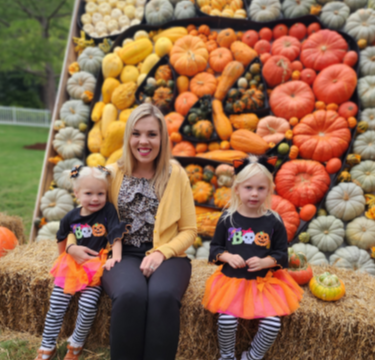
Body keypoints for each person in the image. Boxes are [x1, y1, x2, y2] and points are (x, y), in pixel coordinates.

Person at [71, 103, 197, 360]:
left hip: (168, 256)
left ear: (163, 138)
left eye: (152, 134)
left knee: (162, 296)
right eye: (136, 133)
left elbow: (189, 230)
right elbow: (82, 216)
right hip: (121, 253)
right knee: (130, 295)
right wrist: (72, 245)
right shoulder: (111, 172)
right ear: (128, 136)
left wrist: (162, 253)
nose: (144, 141)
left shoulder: (176, 175)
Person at [202, 156, 303, 360]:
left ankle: (252, 356)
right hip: (231, 282)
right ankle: (227, 355)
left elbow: (282, 254)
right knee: (226, 321)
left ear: (270, 190)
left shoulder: (274, 220)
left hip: (263, 284)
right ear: (237, 188)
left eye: (261, 188)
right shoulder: (227, 218)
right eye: (248, 187)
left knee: (273, 324)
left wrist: (268, 261)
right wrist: (227, 256)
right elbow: (214, 250)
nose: (255, 193)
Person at [35, 166, 121, 360]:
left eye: (101, 193)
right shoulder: (71, 216)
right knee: (56, 304)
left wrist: (115, 257)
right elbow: (61, 236)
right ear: (76, 194)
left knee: (89, 305)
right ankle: (47, 346)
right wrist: (62, 257)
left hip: (95, 265)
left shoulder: (108, 210)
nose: (95, 198)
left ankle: (76, 344)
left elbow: (116, 233)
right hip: (73, 265)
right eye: (88, 193)